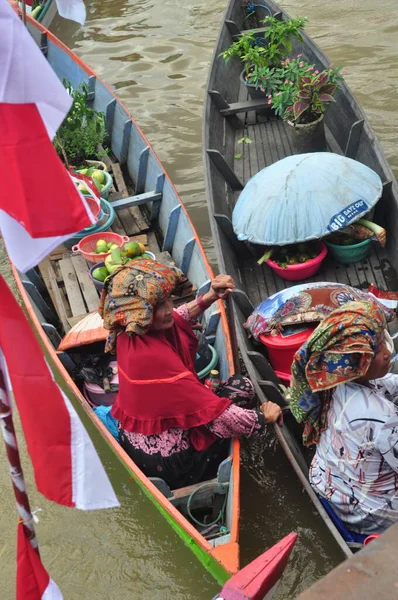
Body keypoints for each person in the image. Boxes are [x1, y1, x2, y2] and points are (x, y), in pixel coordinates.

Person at [99, 258, 282, 489]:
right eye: (158, 306)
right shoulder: (155, 362)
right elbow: (224, 418)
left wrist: (210, 297)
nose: (168, 309)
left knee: (227, 392)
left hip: (139, 442)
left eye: (168, 300)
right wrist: (263, 417)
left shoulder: (129, 331)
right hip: (172, 463)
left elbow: (177, 317)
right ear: (141, 314)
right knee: (242, 388)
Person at [290, 300, 398, 535]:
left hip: (331, 485)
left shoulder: (333, 382)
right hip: (367, 512)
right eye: (377, 350)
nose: (387, 353)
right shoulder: (383, 417)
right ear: (356, 363)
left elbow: (383, 385)